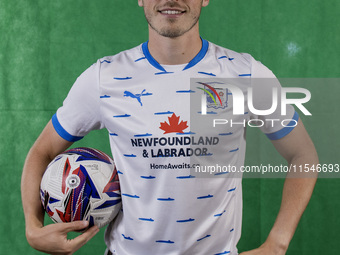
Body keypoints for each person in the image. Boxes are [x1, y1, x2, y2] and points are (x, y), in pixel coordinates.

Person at [21, 0, 318, 254]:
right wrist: (33, 227)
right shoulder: (104, 78)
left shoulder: (246, 75)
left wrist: (277, 243)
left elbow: (303, 155)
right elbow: (42, 150)